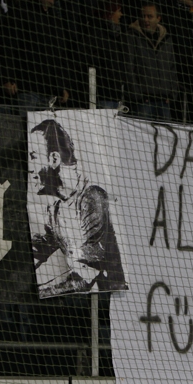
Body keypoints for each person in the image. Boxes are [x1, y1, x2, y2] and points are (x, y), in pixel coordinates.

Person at [29, 119, 127, 297]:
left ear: (54, 159)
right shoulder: (55, 209)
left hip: (106, 299)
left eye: (33, 157)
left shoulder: (92, 196)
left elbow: (90, 266)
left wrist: (45, 290)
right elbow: (42, 248)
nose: (29, 169)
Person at [126, 3, 179, 120]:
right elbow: (129, 67)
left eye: (149, 16)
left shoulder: (167, 38)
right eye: (143, 16)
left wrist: (172, 94)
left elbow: (172, 67)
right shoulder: (132, 36)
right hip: (143, 101)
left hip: (164, 101)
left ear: (158, 18)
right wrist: (137, 95)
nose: (145, 20)